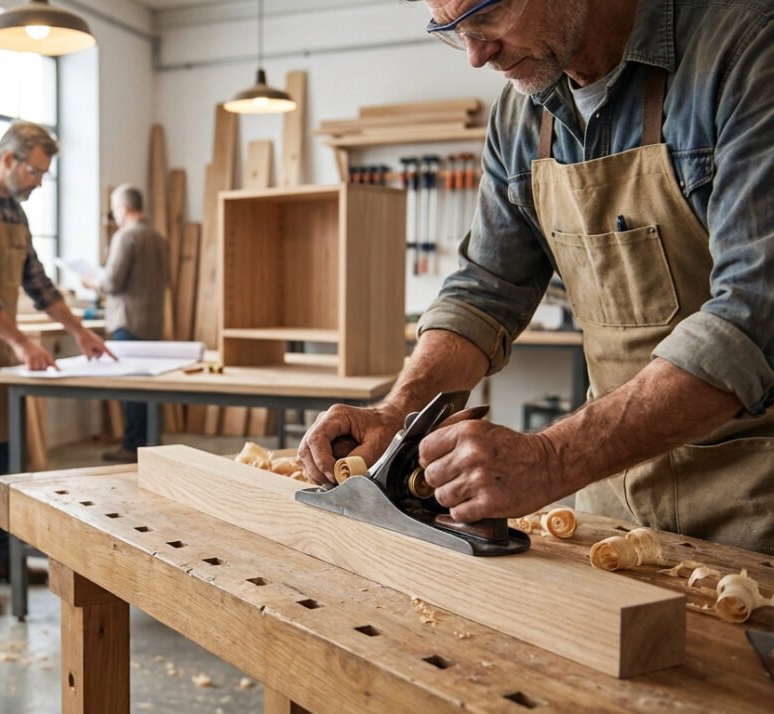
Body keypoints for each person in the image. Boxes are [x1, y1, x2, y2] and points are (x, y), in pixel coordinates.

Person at [300, 0, 774, 554]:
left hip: (753, 506)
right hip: (614, 506)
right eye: (452, 31)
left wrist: (553, 458)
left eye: (487, 16)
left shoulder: (745, 53)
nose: (476, 55)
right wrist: (397, 411)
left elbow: (753, 315)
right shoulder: (520, 116)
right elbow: (485, 292)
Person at [0, 121, 114, 614]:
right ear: (8, 160)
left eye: (44, 174)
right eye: (34, 171)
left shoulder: (12, 210)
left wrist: (80, 331)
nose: (38, 182)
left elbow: (38, 282)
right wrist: (22, 342)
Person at [82, 184, 170, 463]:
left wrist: (90, 282)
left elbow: (112, 282)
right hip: (152, 321)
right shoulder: (158, 237)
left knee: (132, 387)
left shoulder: (125, 237)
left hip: (128, 321)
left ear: (123, 207)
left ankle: (132, 446)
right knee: (148, 387)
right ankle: (148, 443)